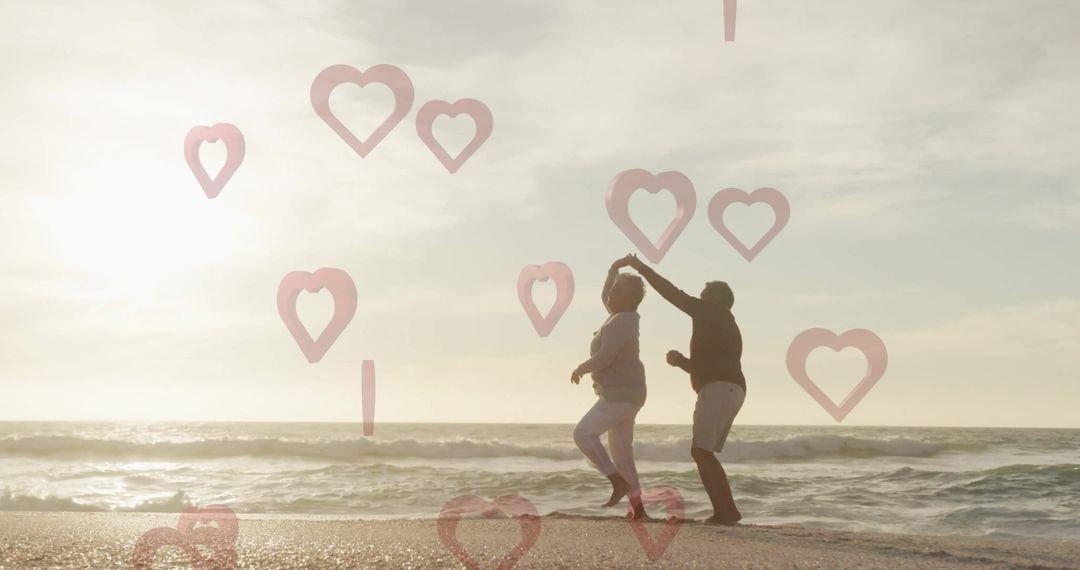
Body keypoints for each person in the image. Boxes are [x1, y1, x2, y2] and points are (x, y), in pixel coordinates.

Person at [621, 254, 747, 524]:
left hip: (719, 389)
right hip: (730, 388)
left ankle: (727, 511)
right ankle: (726, 510)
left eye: (705, 293)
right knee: (704, 452)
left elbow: (672, 293)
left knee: (701, 452)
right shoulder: (725, 323)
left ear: (717, 298)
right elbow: (713, 366)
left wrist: (642, 268)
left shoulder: (711, 312)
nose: (700, 297)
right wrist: (682, 363)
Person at [570, 258, 648, 519]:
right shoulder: (620, 316)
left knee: (583, 433)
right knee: (622, 453)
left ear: (630, 299)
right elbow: (606, 295)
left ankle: (615, 480)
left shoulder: (620, 321)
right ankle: (638, 509)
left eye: (617, 291)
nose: (610, 294)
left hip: (620, 394)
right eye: (613, 290)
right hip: (630, 393)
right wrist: (613, 270)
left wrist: (580, 368)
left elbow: (605, 358)